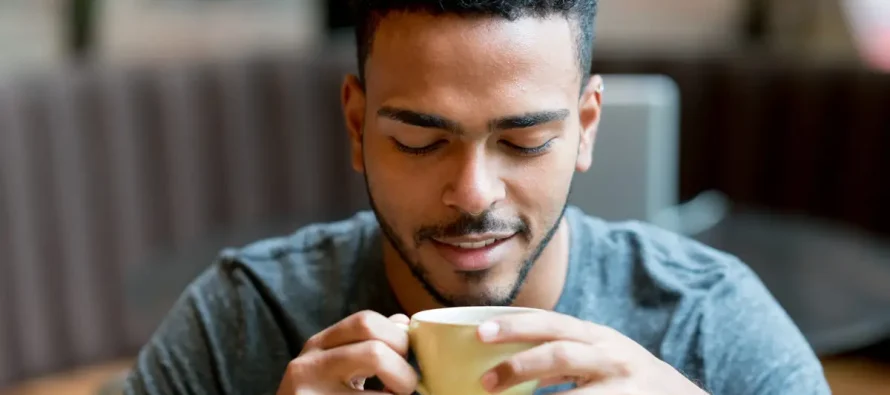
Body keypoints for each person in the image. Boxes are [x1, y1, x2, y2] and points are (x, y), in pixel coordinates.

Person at [124, 1, 831, 394]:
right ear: (356, 124)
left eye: (523, 142)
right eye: (419, 141)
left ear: (585, 127)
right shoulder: (245, 318)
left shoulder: (708, 327)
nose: (472, 192)